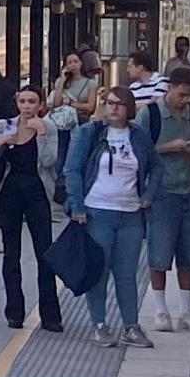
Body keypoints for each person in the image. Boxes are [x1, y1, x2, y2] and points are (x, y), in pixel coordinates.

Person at [63, 84, 154, 347]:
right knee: (99, 270)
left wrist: (147, 196)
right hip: (97, 212)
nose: (113, 108)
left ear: (129, 109)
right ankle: (100, 324)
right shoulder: (89, 133)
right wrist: (77, 205)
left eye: (120, 104)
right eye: (110, 103)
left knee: (126, 273)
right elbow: (73, 170)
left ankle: (131, 326)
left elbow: (156, 167)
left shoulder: (139, 136)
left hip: (130, 214)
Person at [0, 85, 64, 336]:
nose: (26, 106)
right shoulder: (6, 126)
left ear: (39, 105)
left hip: (37, 193)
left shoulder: (48, 127)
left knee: (44, 252)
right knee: (10, 253)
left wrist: (43, 134)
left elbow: (49, 162)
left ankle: (50, 315)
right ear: (17, 103)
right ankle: (14, 311)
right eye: (22, 101)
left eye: (31, 101)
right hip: (10, 191)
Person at [141, 67, 190, 331]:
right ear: (169, 87)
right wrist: (170, 148)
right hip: (162, 192)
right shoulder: (150, 115)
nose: (185, 101)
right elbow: (139, 150)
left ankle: (186, 310)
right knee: (159, 252)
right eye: (182, 95)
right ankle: (160, 310)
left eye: (189, 96)